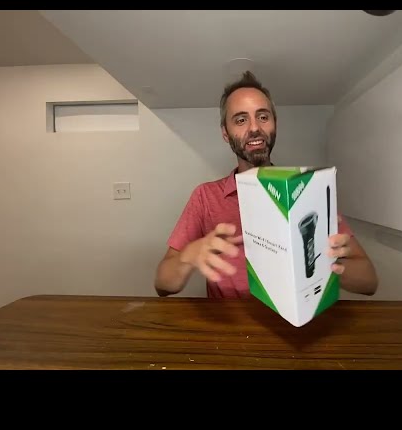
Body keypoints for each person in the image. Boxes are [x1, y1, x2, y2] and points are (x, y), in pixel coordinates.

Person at [154, 71, 378, 298]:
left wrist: (325, 263)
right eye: (241, 120)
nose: (254, 128)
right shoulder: (205, 197)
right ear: (226, 133)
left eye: (262, 117)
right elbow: (162, 286)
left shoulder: (307, 191)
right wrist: (188, 256)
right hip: (228, 320)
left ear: (274, 124)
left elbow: (369, 282)